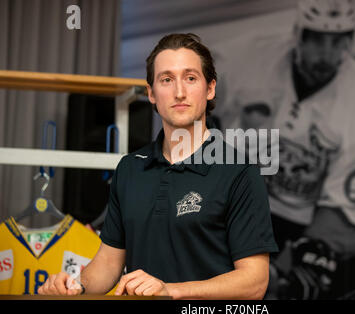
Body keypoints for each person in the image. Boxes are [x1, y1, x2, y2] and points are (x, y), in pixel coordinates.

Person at [38, 33, 279, 299]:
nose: (179, 92)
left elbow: (254, 282)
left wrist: (170, 291)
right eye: (166, 79)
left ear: (210, 88)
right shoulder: (130, 169)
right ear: (151, 93)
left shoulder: (239, 172)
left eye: (190, 78)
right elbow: (109, 263)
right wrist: (75, 286)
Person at [214, 0, 355, 299]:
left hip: (318, 217)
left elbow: (353, 204)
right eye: (316, 40)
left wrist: (313, 254)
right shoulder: (247, 60)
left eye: (338, 42)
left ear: (350, 41)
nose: (326, 55)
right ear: (297, 34)